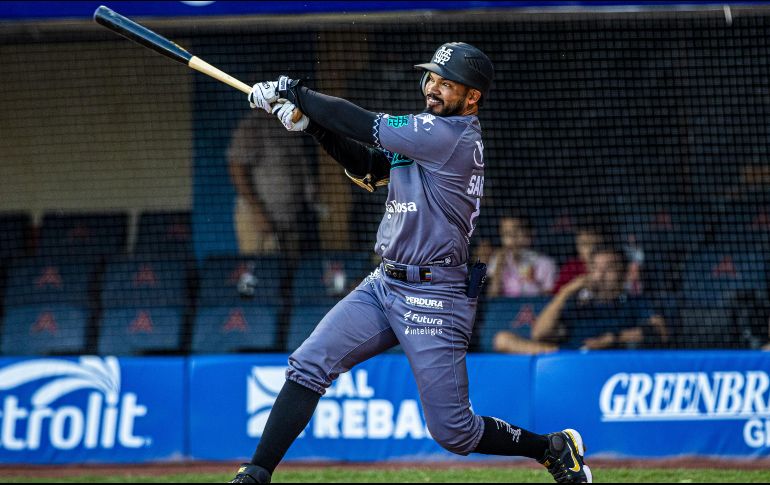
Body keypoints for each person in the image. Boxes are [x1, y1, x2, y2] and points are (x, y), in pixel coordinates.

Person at [229, 43, 591, 484]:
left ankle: (551, 447)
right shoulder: (426, 132)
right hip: (384, 284)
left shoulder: (450, 135)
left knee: (453, 432)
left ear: (472, 96)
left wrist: (294, 91)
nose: (433, 88)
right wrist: (311, 127)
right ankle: (255, 474)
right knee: (308, 364)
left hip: (436, 294)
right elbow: (369, 166)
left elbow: (361, 123)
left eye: (446, 83)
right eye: (431, 78)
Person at [494, 246, 668, 355]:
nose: (600, 274)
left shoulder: (634, 303)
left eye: (608, 269)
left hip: (607, 364)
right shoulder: (577, 304)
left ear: (623, 275)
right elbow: (539, 333)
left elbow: (660, 330)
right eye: (595, 268)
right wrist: (566, 291)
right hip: (568, 362)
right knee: (502, 339)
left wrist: (613, 339)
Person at [227, 111, 317, 257]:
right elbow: (236, 168)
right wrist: (257, 211)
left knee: (290, 270)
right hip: (259, 221)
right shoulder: (254, 125)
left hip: (290, 218)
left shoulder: (293, 123)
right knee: (264, 273)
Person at [486, 215, 557, 298]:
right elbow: (492, 296)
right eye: (506, 234)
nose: (511, 239)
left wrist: (532, 282)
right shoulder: (497, 259)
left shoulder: (546, 263)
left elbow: (548, 299)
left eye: (516, 232)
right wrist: (499, 265)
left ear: (529, 234)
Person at [552, 226, 603, 294]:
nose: (591, 249)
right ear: (578, 247)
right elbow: (555, 294)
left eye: (595, 244)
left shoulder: (609, 264)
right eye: (584, 244)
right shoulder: (571, 267)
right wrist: (574, 286)